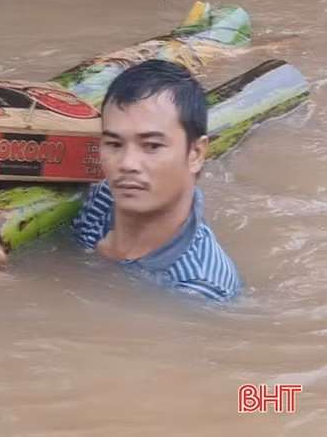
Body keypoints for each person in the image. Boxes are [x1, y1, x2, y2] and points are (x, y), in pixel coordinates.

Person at [71, 59, 242, 302]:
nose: (127, 163)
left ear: (196, 154)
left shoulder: (199, 288)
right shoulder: (100, 199)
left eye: (152, 145)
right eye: (114, 144)